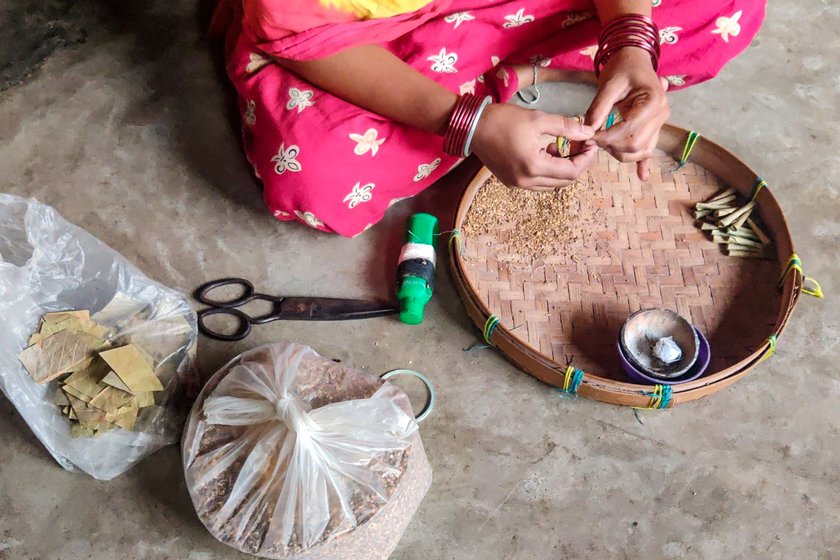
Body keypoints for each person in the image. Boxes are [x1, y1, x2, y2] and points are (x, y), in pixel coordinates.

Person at [210, 0, 764, 236]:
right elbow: (298, 32)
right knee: (320, 179)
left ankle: (503, 70)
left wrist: (630, 40)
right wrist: (464, 121)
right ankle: (501, 78)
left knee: (727, 8)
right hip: (355, 33)